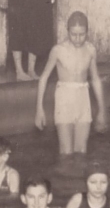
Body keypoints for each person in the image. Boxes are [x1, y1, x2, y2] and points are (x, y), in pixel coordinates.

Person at [35, 11, 106, 155]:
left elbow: (95, 79)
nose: (78, 39)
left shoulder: (91, 50)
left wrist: (102, 110)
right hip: (64, 99)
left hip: (83, 98)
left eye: (82, 34)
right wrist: (39, 110)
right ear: (67, 31)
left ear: (87, 32)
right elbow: (43, 78)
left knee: (81, 150)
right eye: (74, 34)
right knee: (66, 151)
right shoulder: (58, 50)